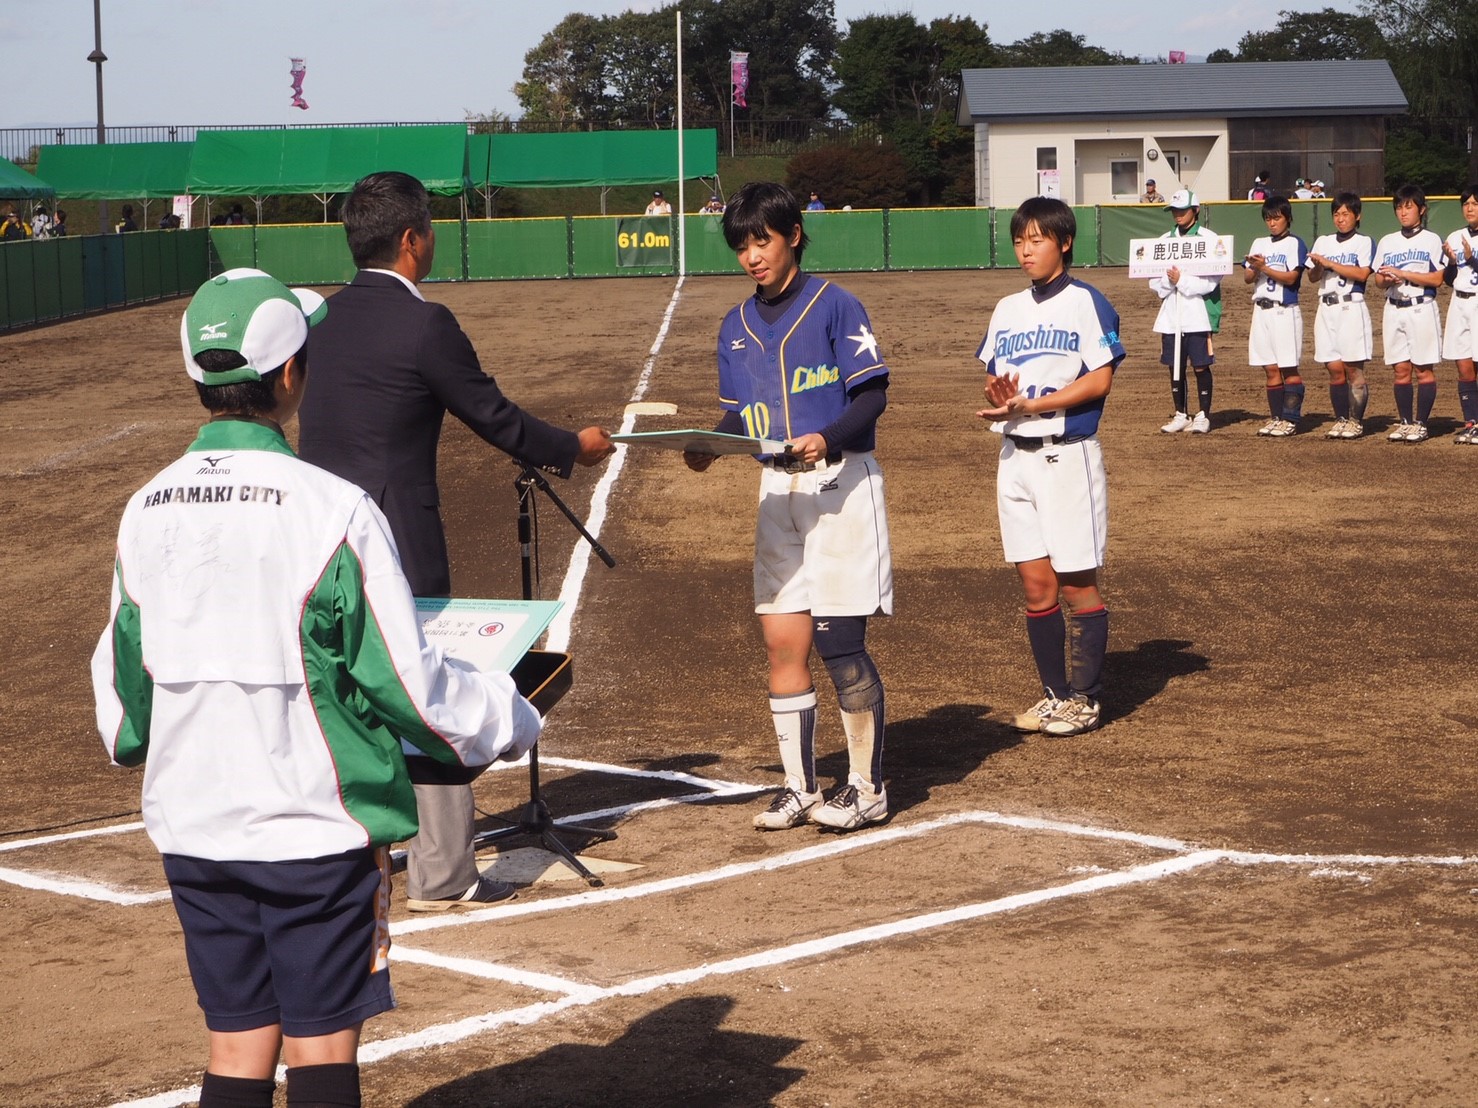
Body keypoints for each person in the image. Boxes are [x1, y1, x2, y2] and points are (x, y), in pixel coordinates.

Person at [92, 267, 543, 1108]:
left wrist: (146, 742)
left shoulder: (142, 507)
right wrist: (507, 718)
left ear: (197, 377)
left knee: (235, 1047)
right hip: (313, 828)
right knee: (322, 1048)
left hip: (194, 823)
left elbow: (124, 695)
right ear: (292, 375)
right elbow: (408, 685)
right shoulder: (331, 507)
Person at [296, 170, 614, 910]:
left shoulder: (318, 323)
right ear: (413, 240)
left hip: (316, 541)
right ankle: (443, 871)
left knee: (347, 689)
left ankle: (364, 848)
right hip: (396, 534)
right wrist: (575, 445)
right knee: (420, 689)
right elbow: (496, 418)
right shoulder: (424, 323)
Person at [683, 181, 893, 832]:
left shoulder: (836, 306)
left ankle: (867, 786)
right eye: (741, 244)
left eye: (762, 240)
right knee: (783, 642)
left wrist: (825, 436)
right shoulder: (735, 326)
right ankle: (801, 788)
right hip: (778, 490)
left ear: (793, 234)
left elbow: (872, 397)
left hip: (841, 483)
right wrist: (710, 444)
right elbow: (739, 414)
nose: (752, 255)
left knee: (839, 639)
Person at [975, 197, 1124, 738]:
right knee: (1036, 586)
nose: (1026, 249)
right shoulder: (1007, 309)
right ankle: (1054, 694)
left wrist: (1033, 405)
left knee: (1077, 582)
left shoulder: (1087, 302)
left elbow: (1100, 379)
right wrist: (999, 393)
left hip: (1067, 454)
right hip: (1015, 456)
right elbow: (1000, 379)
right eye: (1019, 240)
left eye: (1037, 239)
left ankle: (1084, 697)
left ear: (1063, 241)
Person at [1371, 184, 1447, 442]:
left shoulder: (1432, 239)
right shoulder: (1387, 241)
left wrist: (1403, 274)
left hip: (1420, 307)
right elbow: (1377, 281)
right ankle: (1405, 422)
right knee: (1400, 369)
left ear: (1421, 210)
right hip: (1393, 307)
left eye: (1408, 207)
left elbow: (1437, 278)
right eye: (1399, 208)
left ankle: (1421, 423)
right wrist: (1386, 280)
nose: (1403, 213)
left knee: (1423, 368)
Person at [1150, 189, 1222, 434]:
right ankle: (1181, 413)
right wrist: (1170, 282)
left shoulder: (1209, 238)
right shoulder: (1164, 240)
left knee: (1200, 365)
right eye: (1174, 211)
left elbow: (1211, 282)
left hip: (1198, 314)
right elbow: (1153, 281)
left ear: (1196, 210)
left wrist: (1181, 280)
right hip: (1171, 315)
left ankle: (1203, 415)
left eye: (1183, 210)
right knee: (1174, 365)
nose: (1178, 215)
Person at [1306, 191, 1376, 439]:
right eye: (1336, 214)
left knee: (1352, 367)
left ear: (1357, 216)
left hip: (1351, 306)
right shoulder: (1323, 241)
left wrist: (1330, 263)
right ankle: (1341, 419)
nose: (1340, 218)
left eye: (1346, 213)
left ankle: (1356, 421)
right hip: (1326, 306)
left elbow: (1362, 274)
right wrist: (1317, 266)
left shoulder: (1363, 241)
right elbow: (1313, 278)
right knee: (1333, 367)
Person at [1243, 195, 1310, 436]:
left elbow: (1292, 278)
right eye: (1268, 219)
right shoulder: (1259, 242)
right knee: (1270, 368)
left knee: (1288, 366)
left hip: (1284, 310)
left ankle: (1290, 419)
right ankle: (1276, 417)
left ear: (1287, 219)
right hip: (1261, 310)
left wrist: (1265, 268)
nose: (1272, 223)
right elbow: (1248, 278)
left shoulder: (1295, 243)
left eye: (1277, 218)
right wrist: (1253, 267)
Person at [1443, 184, 1478, 443]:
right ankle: (1471, 423)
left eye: (1475, 204)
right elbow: (1448, 279)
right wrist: (1453, 262)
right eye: (1466, 204)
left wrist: (1472, 258)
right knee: (1464, 365)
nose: (1469, 208)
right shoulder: (1455, 236)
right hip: (1459, 303)